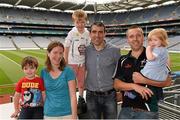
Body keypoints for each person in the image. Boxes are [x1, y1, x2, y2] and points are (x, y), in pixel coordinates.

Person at [113, 25, 172, 119]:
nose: (135, 39)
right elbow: (116, 84)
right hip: (126, 110)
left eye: (138, 35)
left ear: (143, 37)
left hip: (148, 112)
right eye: (131, 36)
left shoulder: (156, 54)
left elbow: (168, 82)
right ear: (127, 39)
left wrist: (145, 81)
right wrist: (135, 86)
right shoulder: (123, 59)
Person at [85, 22, 121, 119]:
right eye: (94, 32)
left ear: (105, 34)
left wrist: (120, 91)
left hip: (110, 95)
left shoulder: (115, 50)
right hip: (91, 95)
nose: (97, 35)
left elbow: (120, 73)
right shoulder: (85, 51)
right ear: (90, 34)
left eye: (100, 32)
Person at [41, 41, 77, 119]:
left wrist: (74, 117)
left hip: (68, 113)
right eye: (55, 52)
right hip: (49, 114)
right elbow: (42, 94)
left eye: (61, 53)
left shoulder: (68, 71)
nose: (58, 56)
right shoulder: (43, 72)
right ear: (48, 53)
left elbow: (73, 95)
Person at [64, 9, 90, 101]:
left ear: (85, 22)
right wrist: (66, 60)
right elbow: (66, 47)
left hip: (82, 62)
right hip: (72, 62)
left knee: (81, 82)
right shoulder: (72, 33)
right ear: (74, 22)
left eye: (82, 22)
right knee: (71, 82)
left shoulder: (87, 33)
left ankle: (81, 98)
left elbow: (88, 48)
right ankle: (70, 98)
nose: (80, 24)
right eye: (78, 22)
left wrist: (87, 62)